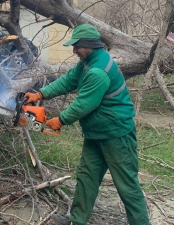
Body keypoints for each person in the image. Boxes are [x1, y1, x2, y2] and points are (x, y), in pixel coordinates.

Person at [24, 24, 150, 225]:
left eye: (77, 47)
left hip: (116, 134)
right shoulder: (87, 63)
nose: (74, 51)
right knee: (86, 178)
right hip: (96, 133)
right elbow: (67, 81)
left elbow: (84, 104)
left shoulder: (97, 71)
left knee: (127, 185)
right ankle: (77, 220)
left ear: (90, 45)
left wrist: (60, 120)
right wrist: (40, 94)